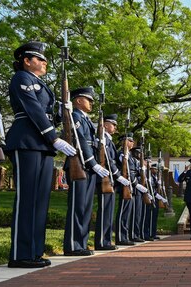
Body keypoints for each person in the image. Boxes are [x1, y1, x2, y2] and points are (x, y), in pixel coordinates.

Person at [5, 41, 76, 268]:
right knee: (27, 199)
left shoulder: (41, 84)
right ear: (27, 61)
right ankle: (20, 254)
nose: (45, 62)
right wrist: (53, 136)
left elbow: (47, 112)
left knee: (40, 201)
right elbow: (33, 109)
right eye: (40, 59)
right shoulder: (22, 78)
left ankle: (34, 251)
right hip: (27, 141)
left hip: (43, 145)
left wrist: (62, 110)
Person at [63, 86, 110, 256]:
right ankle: (73, 245)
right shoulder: (75, 116)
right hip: (80, 164)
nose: (91, 103)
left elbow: (91, 143)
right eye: (88, 99)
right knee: (78, 207)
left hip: (88, 167)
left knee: (86, 208)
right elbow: (80, 140)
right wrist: (93, 163)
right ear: (78, 100)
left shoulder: (86, 119)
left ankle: (81, 244)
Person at [94, 114, 130, 250]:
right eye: (113, 125)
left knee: (108, 211)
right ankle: (102, 241)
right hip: (105, 178)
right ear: (105, 124)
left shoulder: (108, 140)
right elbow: (108, 159)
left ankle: (107, 240)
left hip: (110, 178)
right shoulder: (103, 138)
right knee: (105, 210)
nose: (115, 127)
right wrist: (118, 175)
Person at [115, 132, 137, 245]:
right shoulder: (122, 154)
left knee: (127, 213)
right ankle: (120, 237)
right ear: (124, 142)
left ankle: (125, 235)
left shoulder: (130, 155)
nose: (132, 143)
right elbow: (125, 169)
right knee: (123, 212)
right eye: (130, 140)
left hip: (130, 186)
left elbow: (132, 171)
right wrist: (134, 182)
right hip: (125, 186)